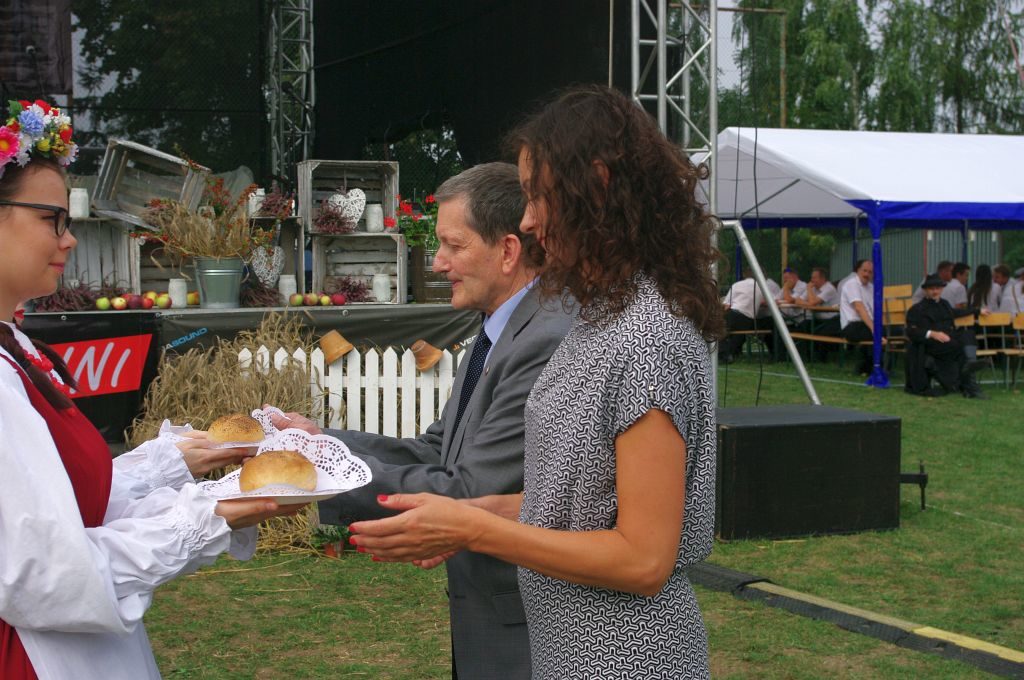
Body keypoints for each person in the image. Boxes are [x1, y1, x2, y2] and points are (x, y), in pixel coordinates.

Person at [348, 85, 723, 679]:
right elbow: (577, 503)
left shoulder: (648, 338)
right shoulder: (599, 319)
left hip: (627, 660)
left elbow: (643, 559)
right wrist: (470, 514)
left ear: (595, 186)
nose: (526, 220)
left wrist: (474, 525)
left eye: (537, 195)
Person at [0, 99, 300, 679]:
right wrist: (207, 515)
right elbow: (43, 575)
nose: (69, 240)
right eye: (51, 219)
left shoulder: (14, 347)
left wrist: (171, 463)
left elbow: (68, 504)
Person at [270, 162, 574, 679]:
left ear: (508, 251)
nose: (437, 263)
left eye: (453, 245)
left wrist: (319, 471)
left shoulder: (542, 340)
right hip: (492, 616)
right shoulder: (499, 329)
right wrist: (322, 442)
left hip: (528, 633)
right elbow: (438, 450)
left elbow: (468, 489)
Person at [905, 274, 987, 398]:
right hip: (931, 344)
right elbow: (911, 331)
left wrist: (977, 310)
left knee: (968, 334)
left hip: (949, 340)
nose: (935, 291)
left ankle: (970, 365)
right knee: (957, 346)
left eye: (938, 288)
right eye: (931, 289)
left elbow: (956, 312)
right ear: (925, 290)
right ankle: (969, 381)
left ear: (942, 289)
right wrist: (932, 333)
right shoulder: (917, 309)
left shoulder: (945, 304)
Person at [718, 268, 780, 363]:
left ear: (745, 275)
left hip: (732, 312)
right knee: (739, 334)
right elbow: (774, 301)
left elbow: (726, 305)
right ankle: (726, 355)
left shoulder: (737, 284)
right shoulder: (762, 286)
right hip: (746, 318)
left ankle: (723, 355)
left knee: (722, 333)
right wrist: (760, 301)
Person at [839, 259, 881, 374]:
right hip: (851, 327)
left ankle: (868, 367)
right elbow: (859, 308)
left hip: (866, 324)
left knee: (895, 331)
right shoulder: (852, 284)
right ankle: (874, 368)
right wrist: (874, 329)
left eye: (870, 272)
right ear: (857, 270)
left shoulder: (871, 287)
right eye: (864, 271)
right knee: (881, 334)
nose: (867, 274)